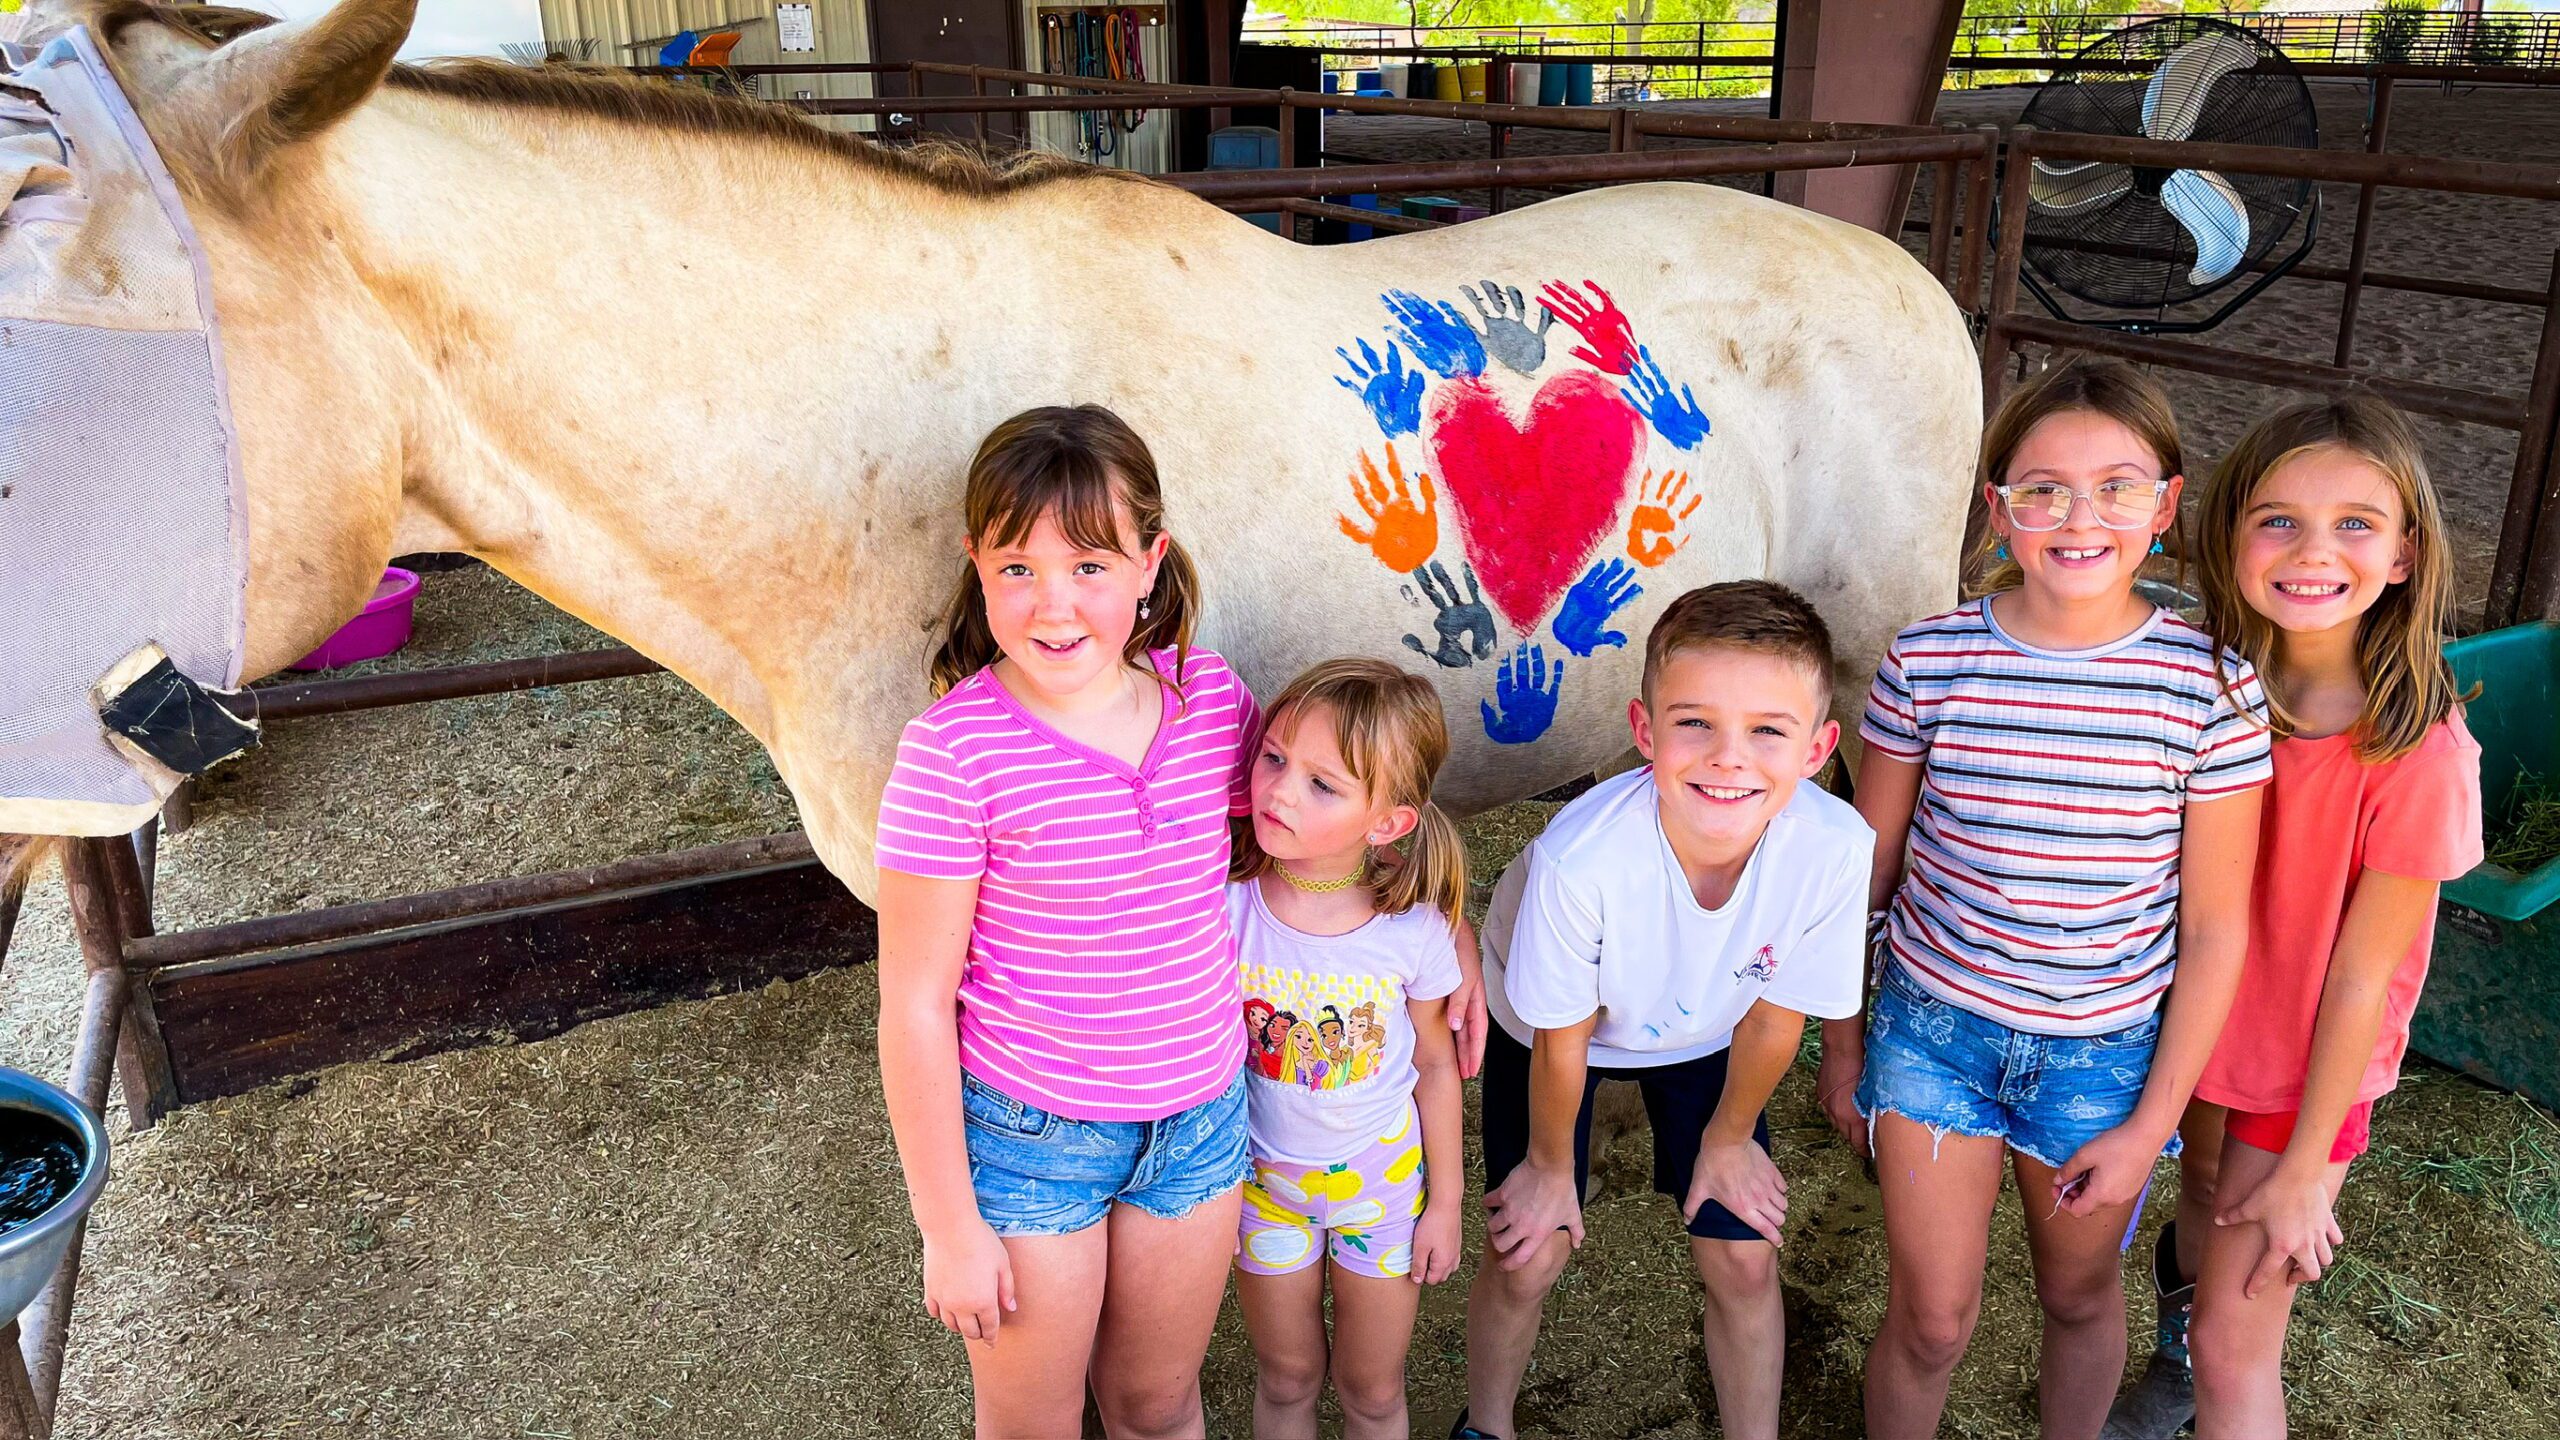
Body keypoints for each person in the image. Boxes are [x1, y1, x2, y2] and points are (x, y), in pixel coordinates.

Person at [1825, 358, 2271, 1440]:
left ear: (2166, 506)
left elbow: (2214, 931)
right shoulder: (1928, 660)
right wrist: (1842, 1054)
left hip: (2103, 1058)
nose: (2079, 518)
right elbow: (1858, 880)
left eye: (2118, 487)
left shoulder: (2210, 685)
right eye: (2042, 489)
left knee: (2076, 1297)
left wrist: (2152, 1124)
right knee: (1931, 1318)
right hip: (1932, 1039)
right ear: (1998, 509)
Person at [873, 404, 1258, 1439]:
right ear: (975, 566)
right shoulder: (953, 754)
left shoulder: (1212, 701)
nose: (1053, 604)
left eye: (1090, 565)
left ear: (1150, 562)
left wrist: (1439, 930)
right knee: (1033, 1424)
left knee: (1156, 1403)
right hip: (1034, 1139)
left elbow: (1304, 850)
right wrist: (948, 1227)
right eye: (1016, 568)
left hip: (1200, 1124)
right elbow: (912, 1005)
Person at [2105, 396, 2482, 1440]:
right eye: (2276, 518)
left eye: (2354, 523)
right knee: (2199, 1210)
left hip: (2298, 1074)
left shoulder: (2417, 750)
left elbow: (2367, 979)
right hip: (2185, 1031)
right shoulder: (2196, 687)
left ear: (2405, 554)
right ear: (2226, 539)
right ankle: (2168, 1358)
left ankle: (2201, 1366)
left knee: (2241, 1348)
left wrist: (2313, 1168)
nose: (2312, 550)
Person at [1458, 581, 1876, 1440]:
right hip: (1548, 1030)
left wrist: (1727, 1142)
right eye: (1695, 723)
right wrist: (1547, 1167)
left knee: (1745, 1259)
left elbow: (1774, 1020)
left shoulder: (1836, 850)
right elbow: (1561, 1038)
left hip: (1711, 1029)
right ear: (1643, 732)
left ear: (1819, 747)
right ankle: (1486, 1425)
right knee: (1527, 1251)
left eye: (1768, 730)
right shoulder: (1580, 861)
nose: (1729, 759)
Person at [1230, 658, 1471, 1440]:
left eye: (1322, 784)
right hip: (1262, 1187)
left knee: (1372, 1389)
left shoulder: (1412, 928)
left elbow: (1435, 1064)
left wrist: (1448, 1203)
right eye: (1273, 758)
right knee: (1289, 1377)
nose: (1278, 791)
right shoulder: (1226, 903)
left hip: (1387, 1191)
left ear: (1388, 821)